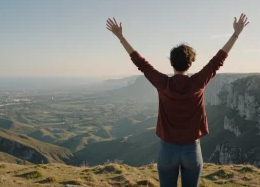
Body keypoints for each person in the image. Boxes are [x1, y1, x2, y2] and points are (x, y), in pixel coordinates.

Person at [106, 14, 249, 187]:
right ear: (191, 63)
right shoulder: (197, 83)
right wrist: (236, 34)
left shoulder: (163, 83)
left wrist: (121, 37)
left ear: (171, 63)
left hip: (168, 151)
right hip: (192, 150)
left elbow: (141, 63)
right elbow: (218, 60)